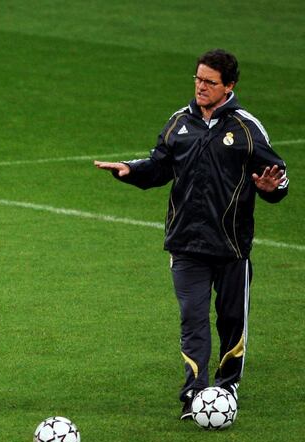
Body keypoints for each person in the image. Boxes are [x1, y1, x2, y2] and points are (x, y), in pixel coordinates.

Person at [94, 49, 289, 420]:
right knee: (193, 319)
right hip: (186, 243)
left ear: (228, 86)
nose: (200, 87)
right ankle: (195, 393)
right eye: (197, 79)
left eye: (209, 82)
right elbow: (159, 165)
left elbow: (278, 178)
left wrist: (269, 188)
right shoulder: (179, 122)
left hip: (231, 246)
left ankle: (227, 385)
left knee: (232, 320)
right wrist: (131, 170)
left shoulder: (247, 128)